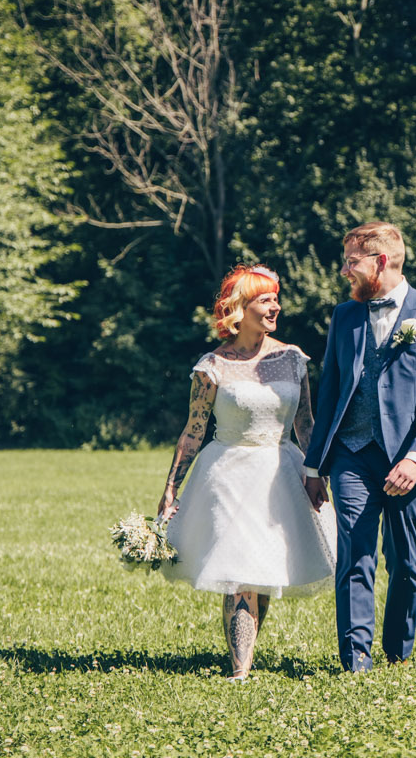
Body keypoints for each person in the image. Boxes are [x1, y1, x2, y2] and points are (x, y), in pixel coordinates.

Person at [157, 264, 336, 681]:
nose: (275, 306)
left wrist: (316, 474)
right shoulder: (212, 366)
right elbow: (193, 430)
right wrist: (171, 488)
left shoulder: (293, 359)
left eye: (276, 298)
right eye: (264, 300)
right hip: (228, 475)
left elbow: (305, 424)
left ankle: (246, 653)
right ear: (239, 309)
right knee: (241, 572)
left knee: (264, 569)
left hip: (281, 474)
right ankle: (240, 670)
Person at [302, 222, 416, 672]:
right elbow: (329, 391)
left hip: (412, 459)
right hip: (353, 453)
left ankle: (397, 656)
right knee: (355, 553)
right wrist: (315, 466)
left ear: (381, 262)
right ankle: (356, 660)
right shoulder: (345, 316)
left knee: (406, 563)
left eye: (352, 261)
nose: (344, 270)